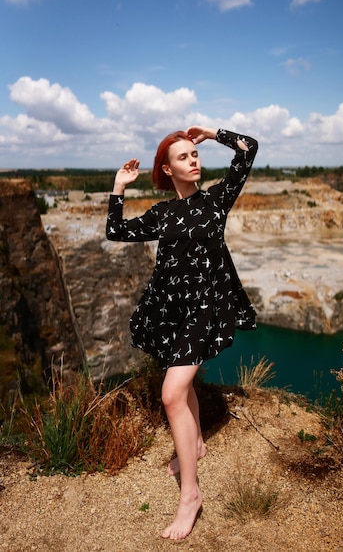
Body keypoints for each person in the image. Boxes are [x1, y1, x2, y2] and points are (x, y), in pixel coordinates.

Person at [106, 125, 258, 540]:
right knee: (182, 381)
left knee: (172, 392)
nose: (194, 160)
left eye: (195, 154)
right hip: (169, 309)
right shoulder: (162, 213)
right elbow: (116, 231)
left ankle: (189, 495)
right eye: (184, 157)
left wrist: (212, 133)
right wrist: (118, 187)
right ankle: (197, 447)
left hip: (203, 310)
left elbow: (249, 150)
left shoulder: (215, 201)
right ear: (167, 169)